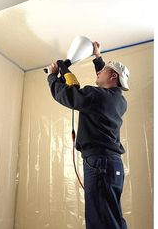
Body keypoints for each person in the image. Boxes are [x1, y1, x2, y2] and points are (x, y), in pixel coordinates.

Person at [47, 41, 129, 229]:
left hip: (99, 163)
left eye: (102, 71)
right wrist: (98, 58)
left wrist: (53, 77)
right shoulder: (119, 101)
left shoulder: (98, 96)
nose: (98, 73)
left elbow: (68, 95)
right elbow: (103, 83)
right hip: (111, 165)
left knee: (100, 219)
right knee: (111, 215)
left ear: (113, 76)